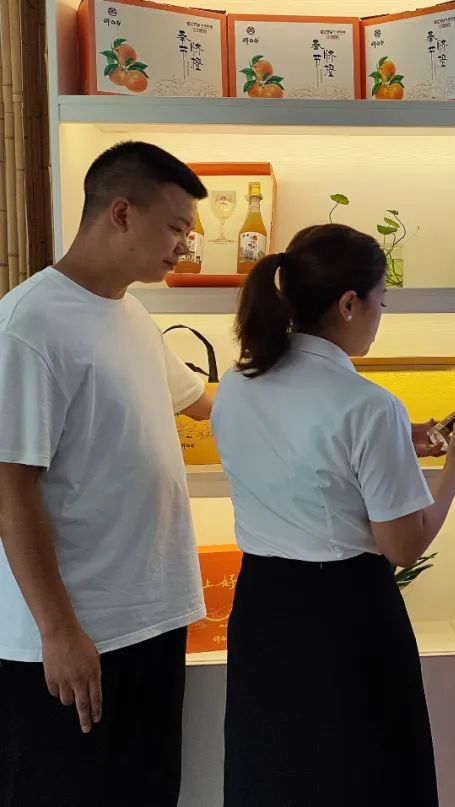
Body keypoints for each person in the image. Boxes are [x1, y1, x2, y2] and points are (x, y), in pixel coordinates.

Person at [211, 223, 455, 806]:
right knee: (364, 778)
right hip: (345, 619)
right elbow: (404, 546)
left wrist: (401, 442)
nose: (382, 314)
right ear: (349, 303)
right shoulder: (369, 406)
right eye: (382, 300)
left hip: (262, 606)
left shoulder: (235, 385)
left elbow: (308, 462)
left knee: (276, 774)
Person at [0, 141, 213, 806]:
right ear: (121, 213)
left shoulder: (130, 311)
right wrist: (58, 631)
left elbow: (207, 405)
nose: (183, 246)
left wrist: (361, 417)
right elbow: (10, 490)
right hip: (78, 637)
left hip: (151, 618)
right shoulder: (29, 325)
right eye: (175, 227)